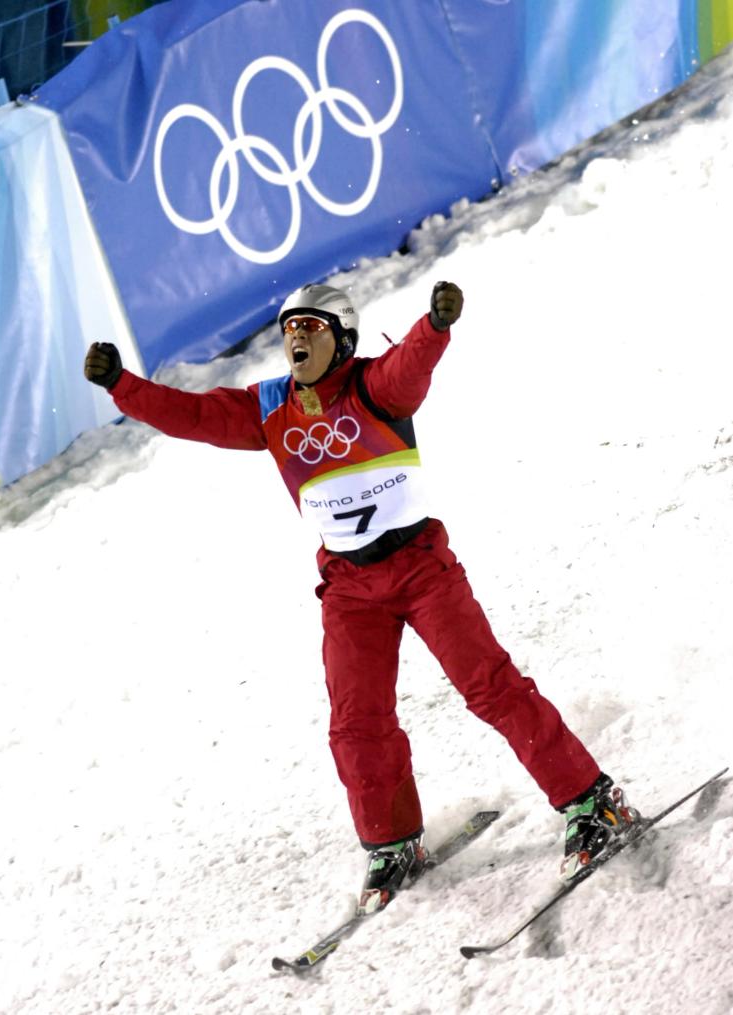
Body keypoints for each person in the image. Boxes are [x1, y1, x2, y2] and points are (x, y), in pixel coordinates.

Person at [84, 281, 640, 910]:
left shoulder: (374, 388)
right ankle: (393, 843)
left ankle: (592, 801)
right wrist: (122, 386)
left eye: (312, 327)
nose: (296, 337)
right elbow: (193, 416)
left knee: (490, 686)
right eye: (289, 328)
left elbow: (409, 368)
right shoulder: (268, 407)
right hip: (349, 589)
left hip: (420, 568)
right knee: (357, 723)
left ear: (343, 339)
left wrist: (433, 327)